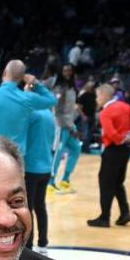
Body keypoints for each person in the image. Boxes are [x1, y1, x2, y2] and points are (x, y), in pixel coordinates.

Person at [0, 59, 56, 155]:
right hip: (15, 157)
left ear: (4, 72)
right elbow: (51, 100)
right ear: (22, 78)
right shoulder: (27, 98)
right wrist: (34, 83)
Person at [87, 83, 130, 228]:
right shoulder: (125, 106)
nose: (97, 99)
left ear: (105, 96)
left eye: (98, 96)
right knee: (117, 182)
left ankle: (104, 218)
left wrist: (119, 139)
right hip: (126, 149)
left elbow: (111, 134)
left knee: (105, 182)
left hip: (113, 149)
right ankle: (125, 213)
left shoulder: (105, 112)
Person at [25, 108, 55, 249]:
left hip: (31, 166)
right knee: (40, 205)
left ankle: (28, 243)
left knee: (27, 207)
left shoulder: (31, 114)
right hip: (46, 166)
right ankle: (43, 240)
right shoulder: (49, 113)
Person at [50, 64, 82, 194]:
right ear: (61, 72)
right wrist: (70, 127)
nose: (67, 73)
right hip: (60, 124)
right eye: (65, 70)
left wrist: (73, 125)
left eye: (69, 70)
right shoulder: (59, 88)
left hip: (70, 124)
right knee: (58, 153)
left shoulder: (72, 88)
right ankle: (50, 182)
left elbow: (70, 110)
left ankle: (65, 180)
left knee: (76, 148)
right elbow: (57, 111)